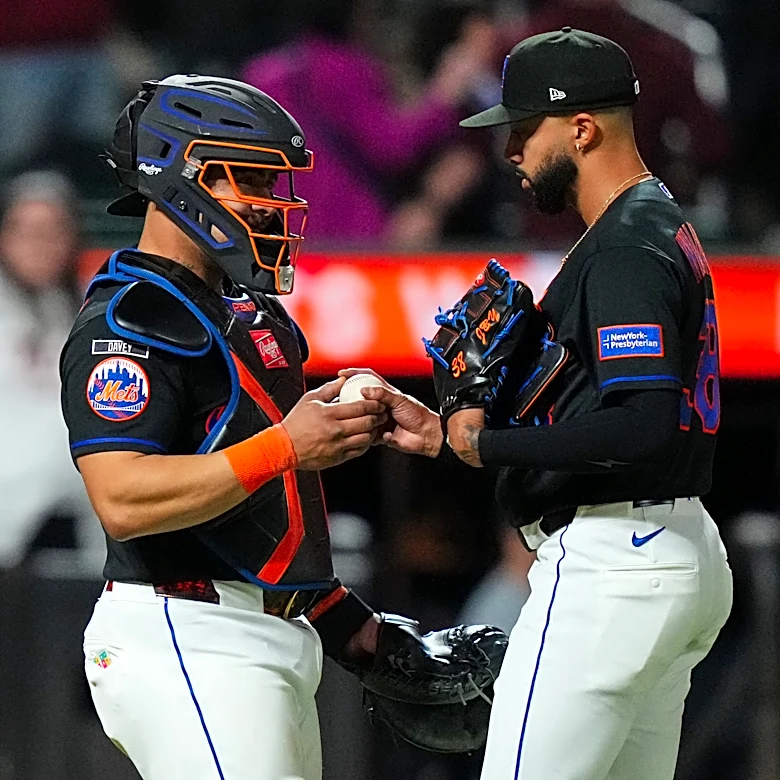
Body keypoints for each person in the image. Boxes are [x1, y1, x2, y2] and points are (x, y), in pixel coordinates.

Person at [345, 28, 733, 780]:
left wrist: (485, 446)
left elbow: (643, 425)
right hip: (662, 553)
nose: (512, 151)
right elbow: (609, 410)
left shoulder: (624, 247)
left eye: (524, 130)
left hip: (615, 566)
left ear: (582, 128)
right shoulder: (652, 223)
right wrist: (448, 437)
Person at [60, 75, 390, 780]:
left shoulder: (244, 314)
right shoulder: (129, 321)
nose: (278, 205)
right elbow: (121, 498)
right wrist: (287, 444)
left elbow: (263, 513)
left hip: (267, 635)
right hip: (185, 630)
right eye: (257, 182)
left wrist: (347, 623)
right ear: (190, 174)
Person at [0, 170, 101, 567]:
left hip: (80, 516)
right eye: (27, 231)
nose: (40, 245)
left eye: (53, 230)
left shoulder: (95, 312)